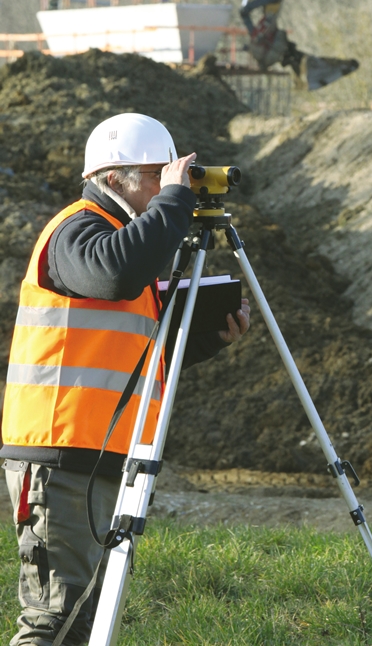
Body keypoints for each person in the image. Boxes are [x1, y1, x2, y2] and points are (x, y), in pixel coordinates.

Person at [0, 112, 250, 645]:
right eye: (157, 175)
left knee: (90, 618)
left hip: (105, 453)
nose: (170, 184)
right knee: (56, 618)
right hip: (61, 455)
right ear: (114, 178)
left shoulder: (130, 243)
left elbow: (133, 352)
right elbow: (114, 272)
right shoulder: (78, 229)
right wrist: (176, 203)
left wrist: (209, 335)